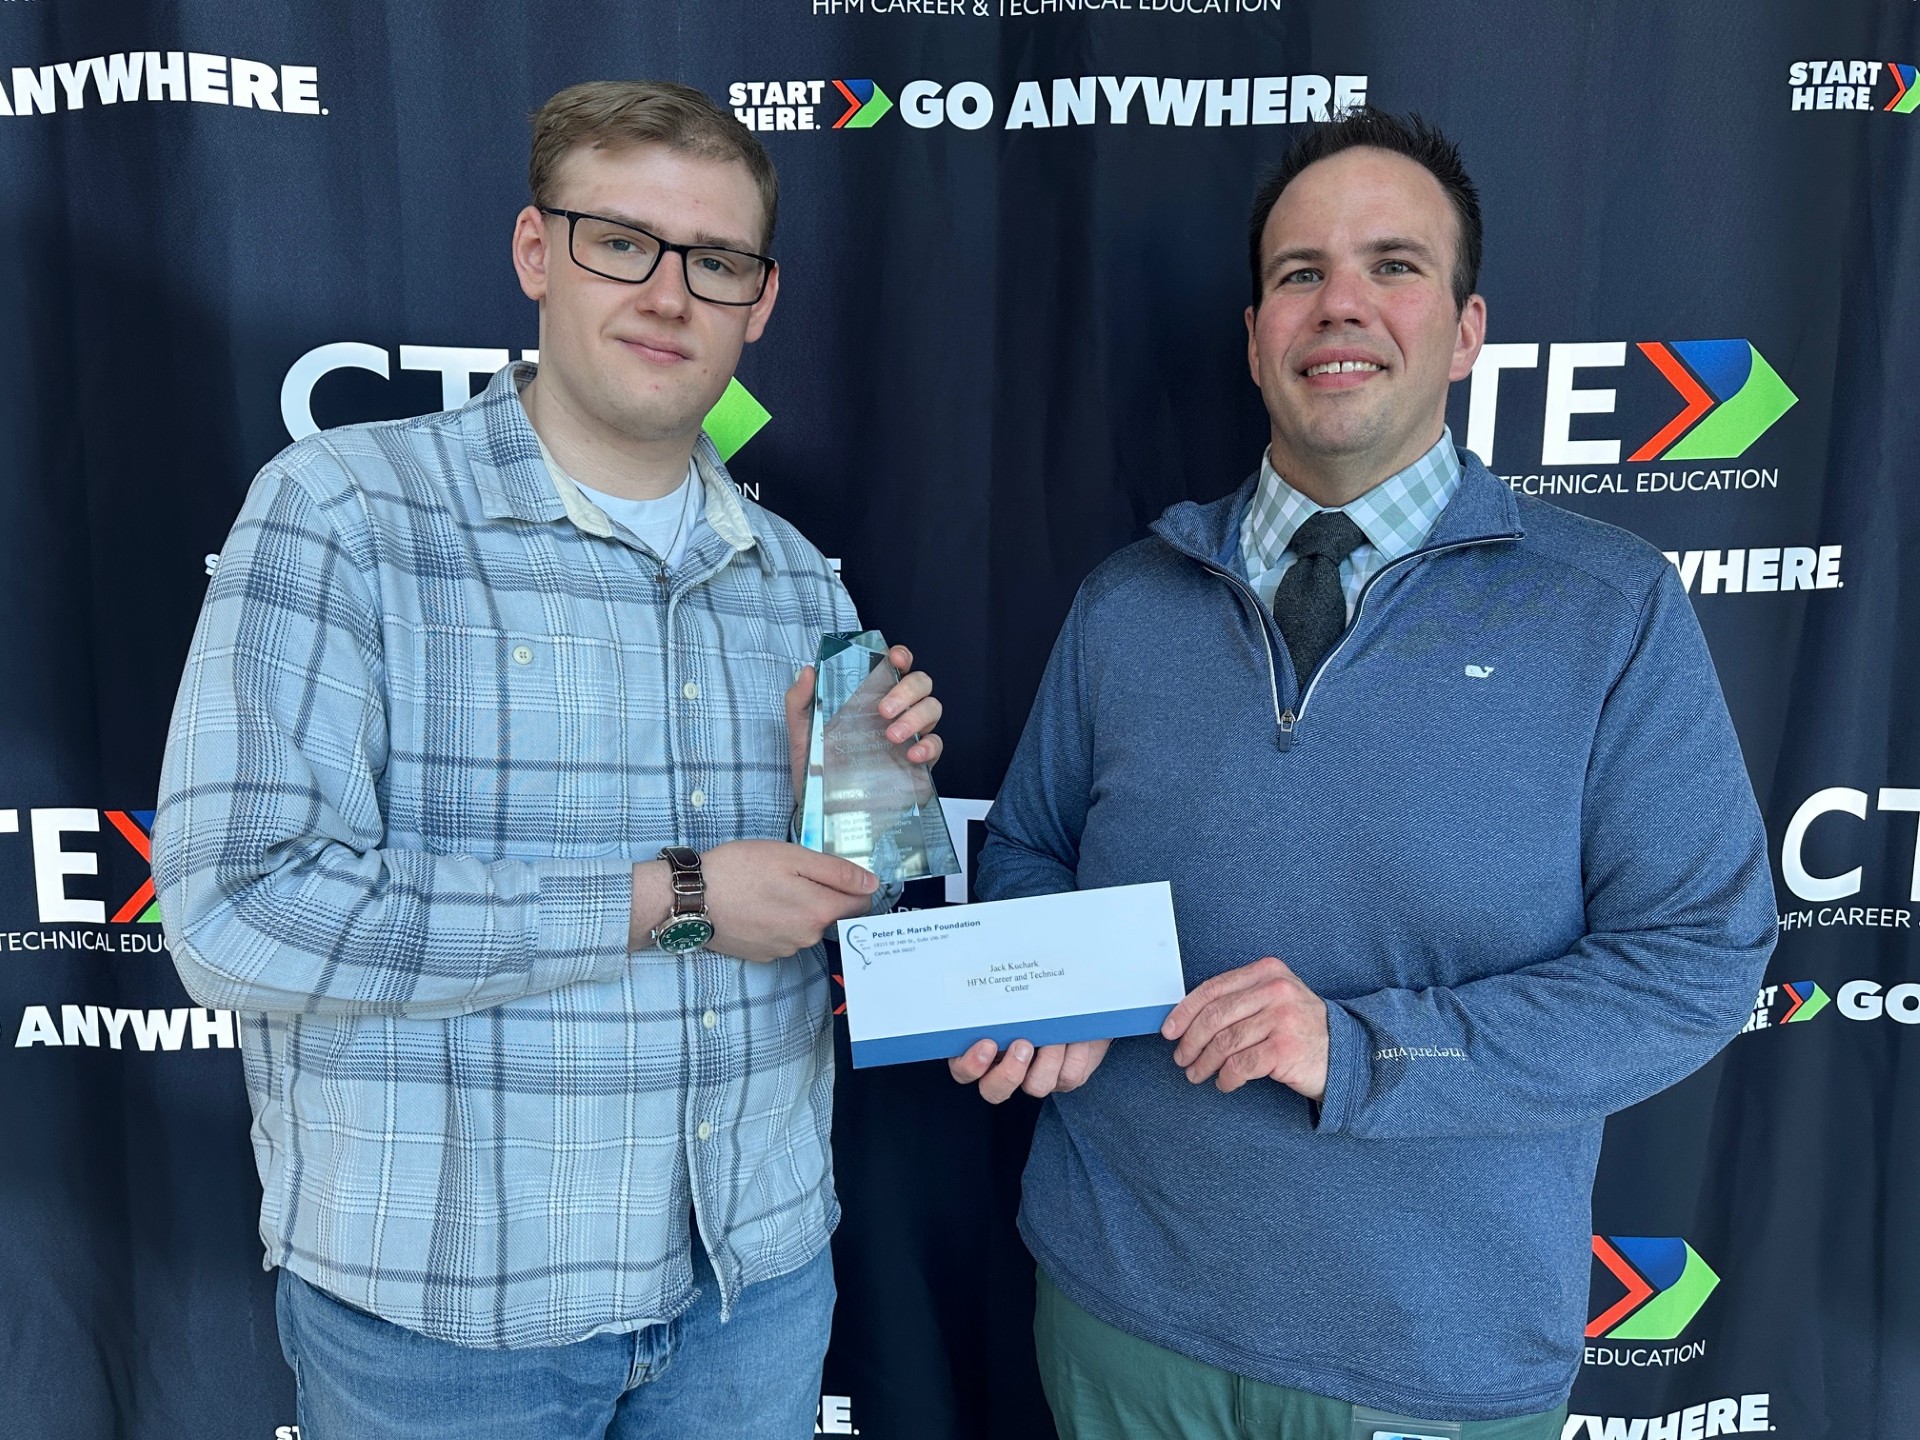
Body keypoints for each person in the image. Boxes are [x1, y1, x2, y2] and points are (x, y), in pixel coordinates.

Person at [950, 108, 1776, 1438]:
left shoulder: (1607, 609)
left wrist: (1363, 1045)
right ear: (1256, 332)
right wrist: (1044, 988)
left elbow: (1693, 965)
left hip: (1430, 1359)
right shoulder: (1130, 602)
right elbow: (1033, 847)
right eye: (1299, 274)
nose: (1342, 304)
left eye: (1393, 266)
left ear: (1464, 330)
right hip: (1119, 1312)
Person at [152, 80, 943, 1440]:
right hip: (447, 1329)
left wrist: (868, 803)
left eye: (716, 261)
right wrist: (672, 894)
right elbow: (237, 914)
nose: (668, 292)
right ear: (536, 253)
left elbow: (856, 913)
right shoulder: (345, 511)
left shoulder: (800, 578)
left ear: (761, 299)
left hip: (747, 1297)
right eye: (618, 240)